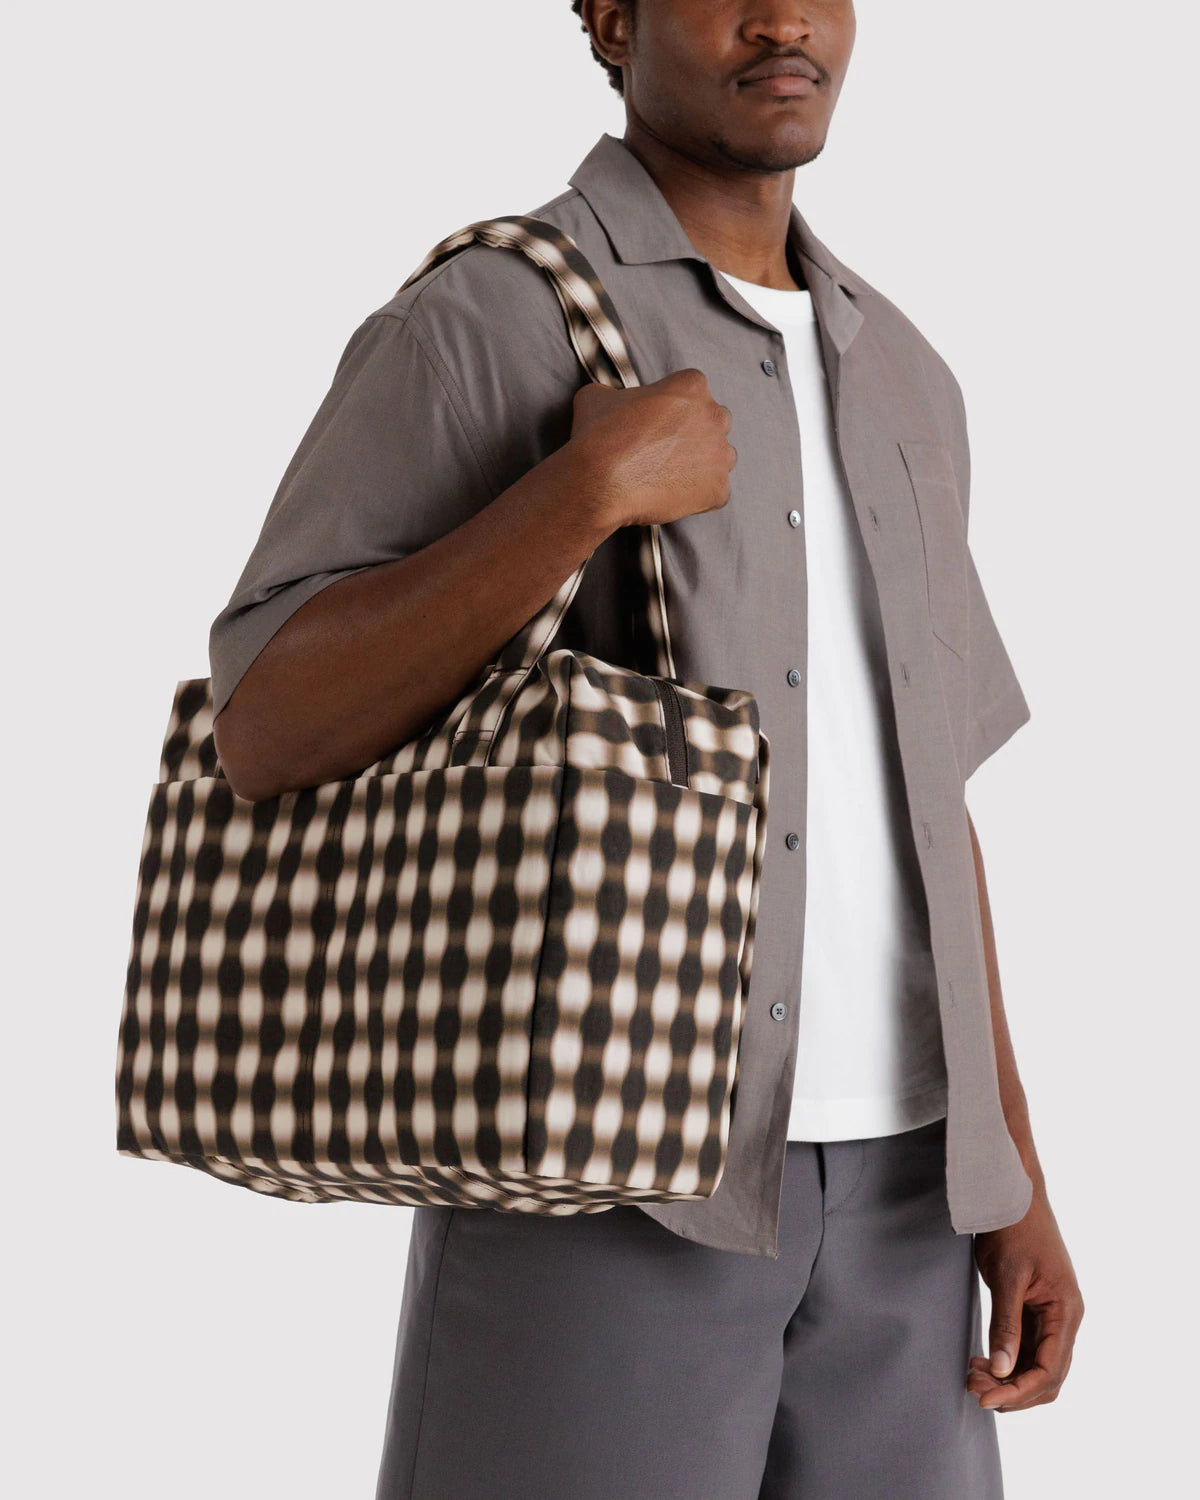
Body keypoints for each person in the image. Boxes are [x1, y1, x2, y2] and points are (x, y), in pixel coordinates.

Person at [208, 3, 1083, 1495]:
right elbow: (266, 717)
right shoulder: (493, 316)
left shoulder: (906, 375)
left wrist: (1015, 1177)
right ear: (612, 19)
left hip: (915, 1200)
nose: (784, 18)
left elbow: (930, 815)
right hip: (605, 1171)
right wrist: (581, 494)